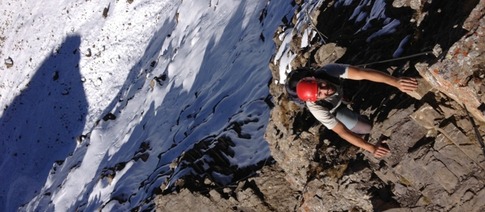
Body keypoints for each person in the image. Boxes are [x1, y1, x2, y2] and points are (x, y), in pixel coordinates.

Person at [288, 63, 418, 158]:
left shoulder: (328, 71)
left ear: (317, 78)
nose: (325, 90)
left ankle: (346, 99)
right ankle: (347, 107)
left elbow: (362, 73)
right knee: (367, 128)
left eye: (320, 85)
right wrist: (371, 148)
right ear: (315, 100)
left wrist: (396, 82)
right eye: (320, 93)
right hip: (335, 109)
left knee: (357, 81)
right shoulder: (317, 109)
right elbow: (342, 131)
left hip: (339, 95)